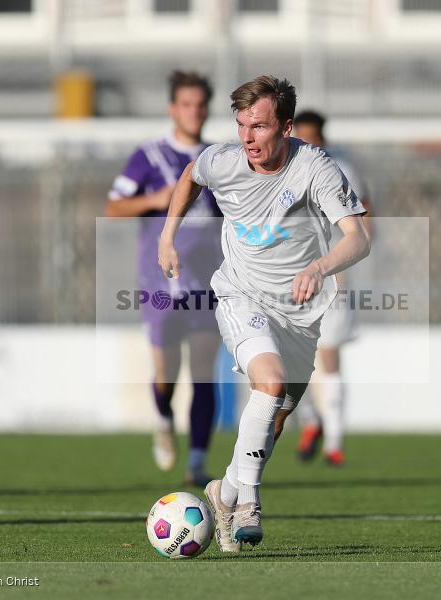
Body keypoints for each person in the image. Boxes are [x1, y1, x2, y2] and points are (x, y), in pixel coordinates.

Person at [158, 76, 370, 551]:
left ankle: (225, 491)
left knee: (273, 420)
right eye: (241, 125)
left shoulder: (317, 168)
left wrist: (321, 265)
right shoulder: (225, 160)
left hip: (299, 314)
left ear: (287, 127)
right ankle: (248, 501)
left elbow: (358, 238)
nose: (248, 137)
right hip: (241, 294)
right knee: (269, 385)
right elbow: (191, 174)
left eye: (259, 126)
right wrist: (166, 236)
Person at [105, 71, 222, 486]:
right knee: (166, 371)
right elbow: (114, 206)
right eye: (186, 104)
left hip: (209, 278)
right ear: (173, 109)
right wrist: (157, 199)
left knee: (205, 364)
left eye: (201, 104)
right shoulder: (150, 155)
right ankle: (163, 416)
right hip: (160, 281)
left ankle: (197, 461)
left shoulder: (218, 157)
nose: (194, 111)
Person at [291, 110, 372, 467]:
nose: (308, 144)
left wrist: (344, 262)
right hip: (291, 278)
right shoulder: (285, 169)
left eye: (314, 138)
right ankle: (312, 422)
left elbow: (364, 222)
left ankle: (335, 442)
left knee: (330, 356)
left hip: (332, 276)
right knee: (288, 362)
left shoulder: (342, 169)